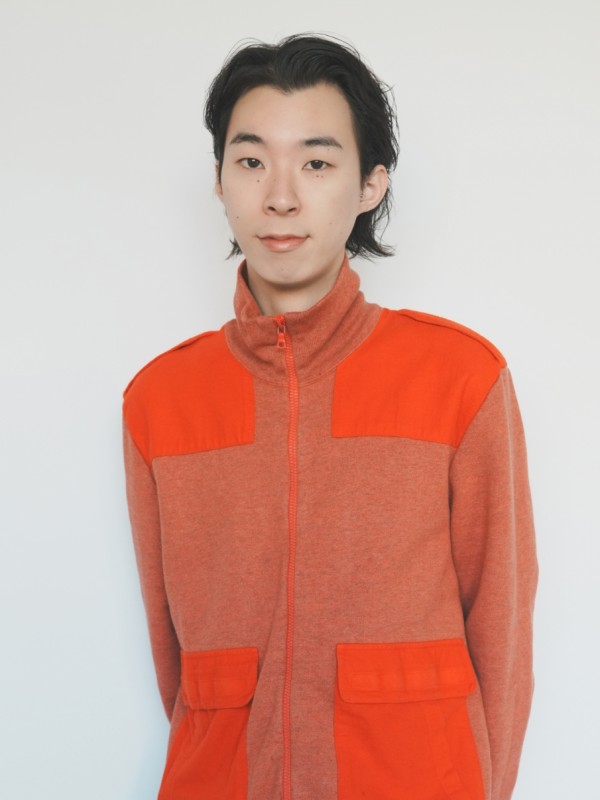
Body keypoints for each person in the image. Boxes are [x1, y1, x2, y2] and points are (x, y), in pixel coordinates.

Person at [122, 34, 538, 800]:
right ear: (218, 180)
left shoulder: (460, 379)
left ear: (371, 183)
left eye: (316, 163)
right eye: (251, 161)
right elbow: (180, 668)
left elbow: (502, 637)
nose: (280, 196)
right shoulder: (159, 399)